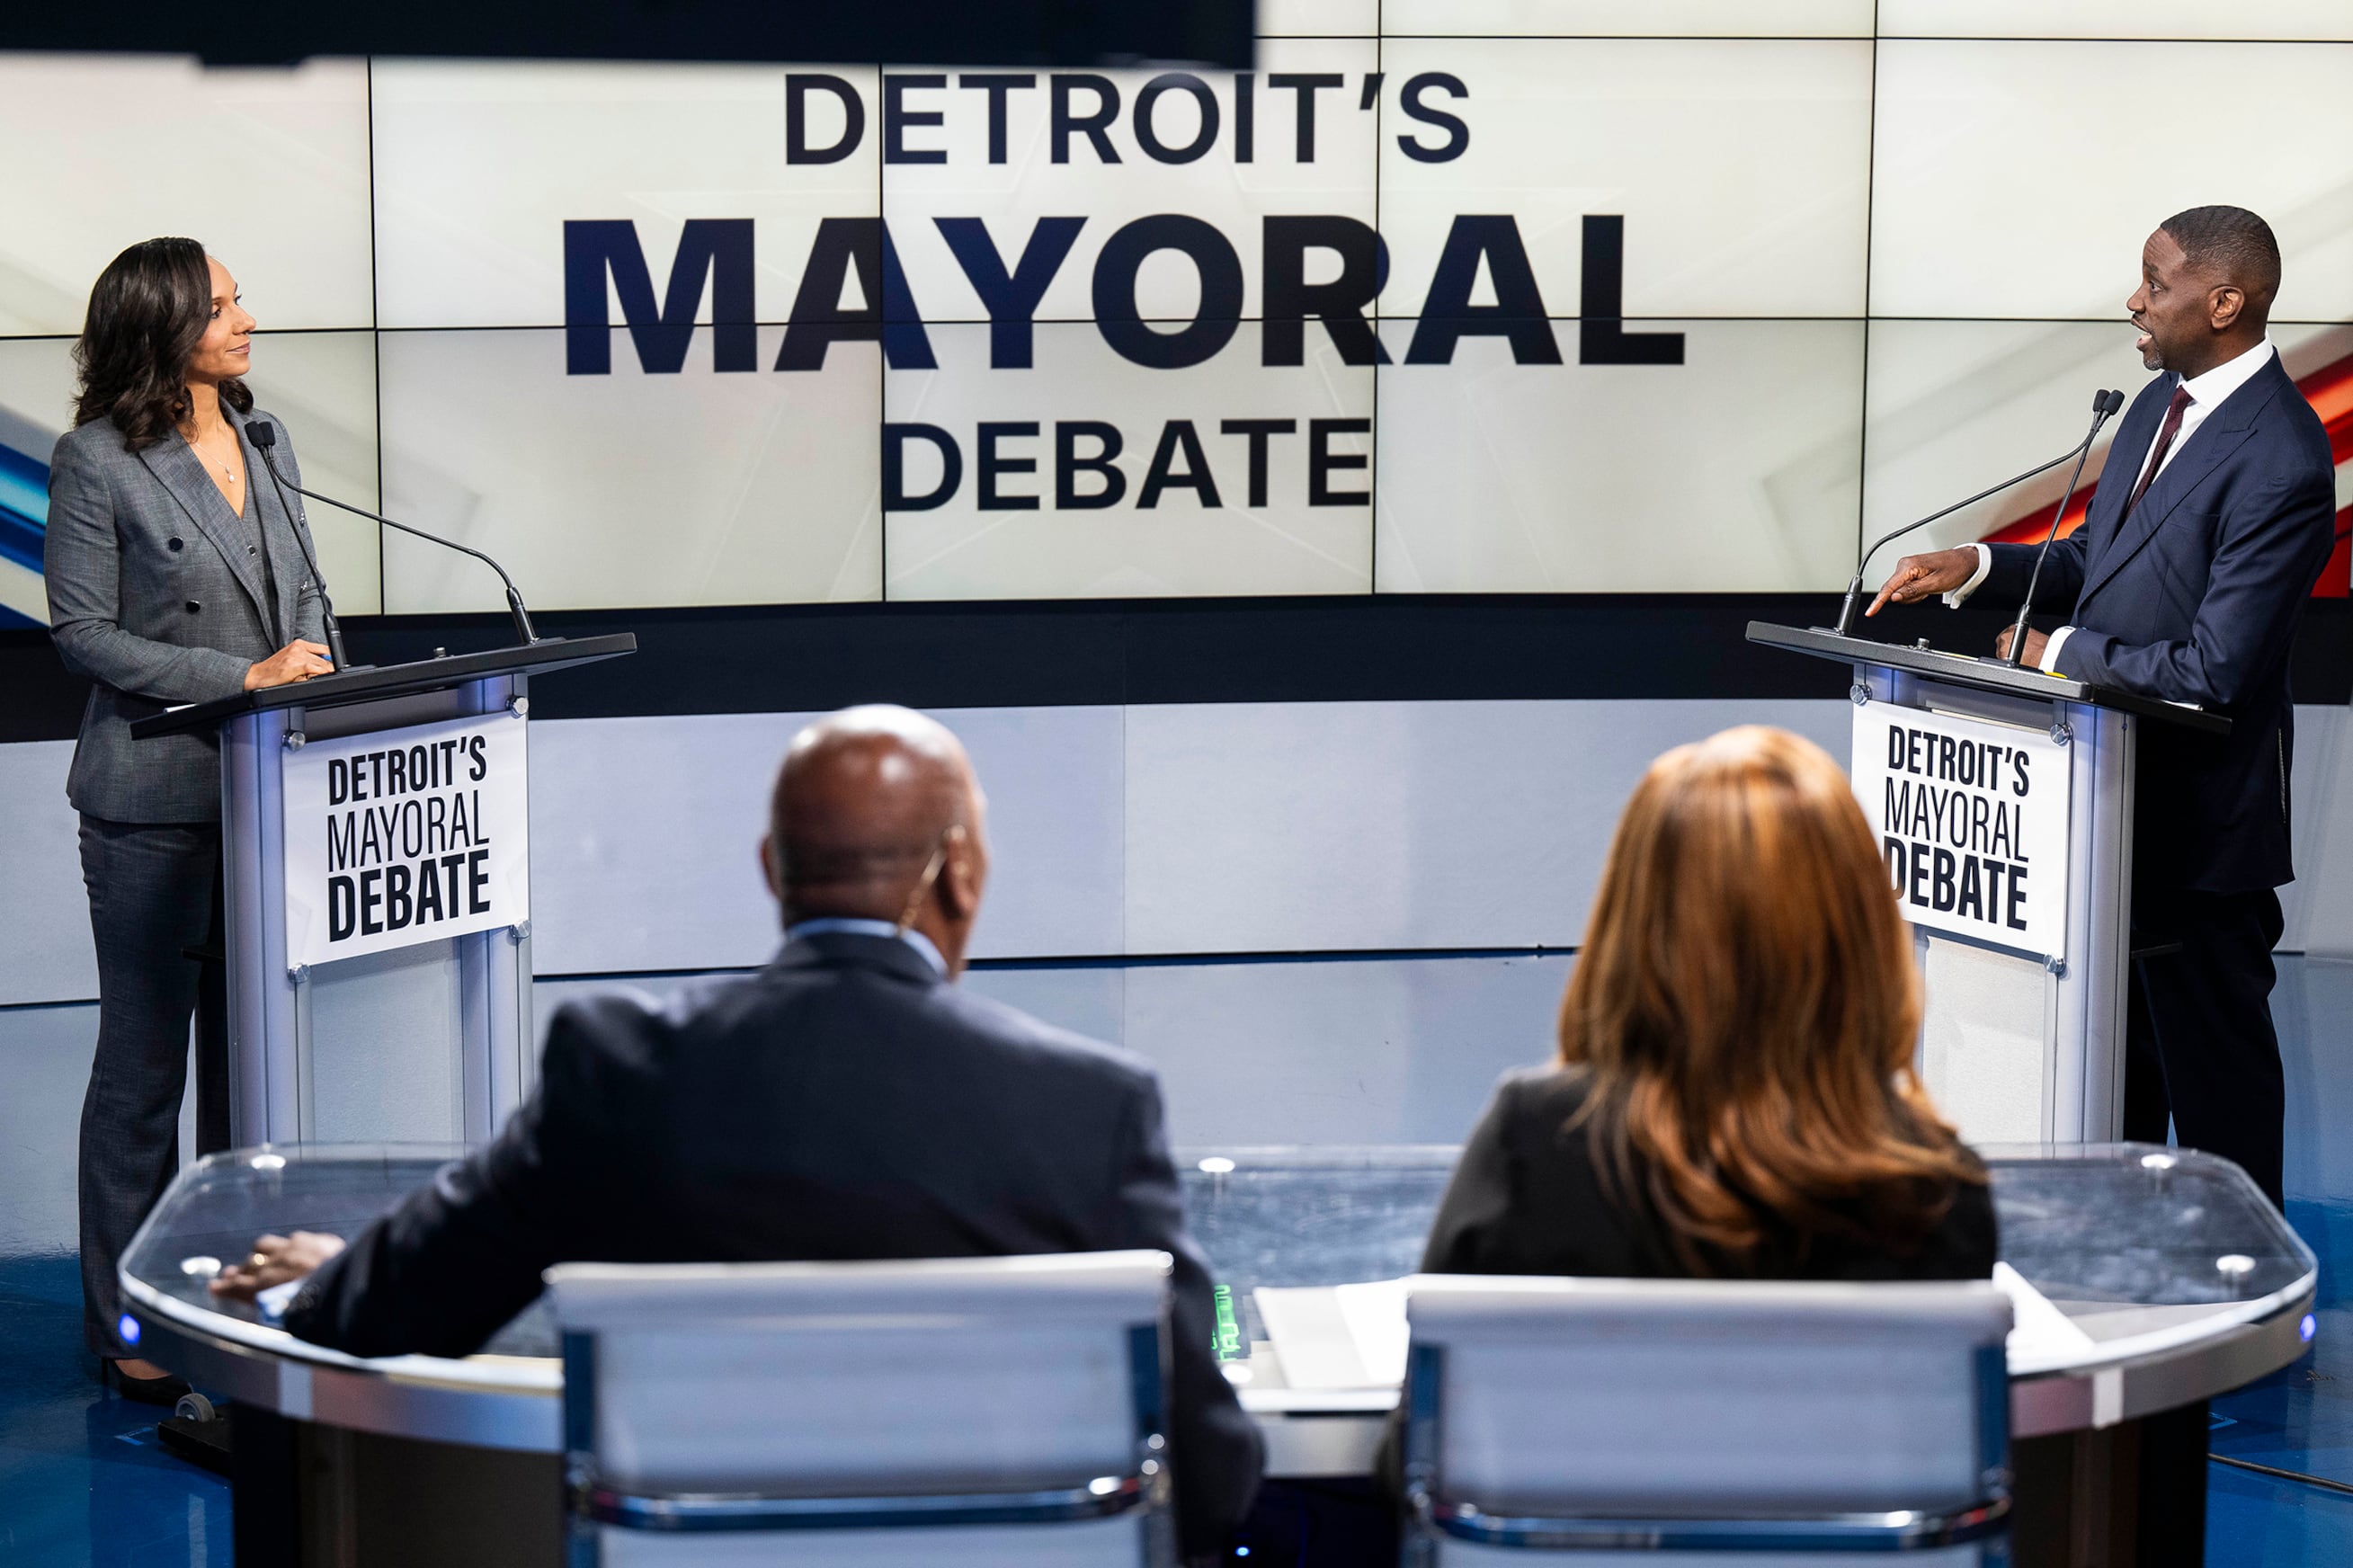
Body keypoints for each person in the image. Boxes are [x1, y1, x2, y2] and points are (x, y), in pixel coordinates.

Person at [211, 705, 1263, 1558]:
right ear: (960, 872)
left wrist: (333, 1271)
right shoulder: (1087, 1103)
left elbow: (401, 1298)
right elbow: (1210, 1462)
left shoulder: (621, 1066)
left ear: (772, 868)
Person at [1867, 207, 2336, 1208]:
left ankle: (2235, 1273)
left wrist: (2058, 651)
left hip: (2200, 829)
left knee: (2217, 1087)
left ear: (2223, 301)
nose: (2134, 298)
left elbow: (2214, 665)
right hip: (2101, 807)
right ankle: (2113, 1251)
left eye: (2154, 281)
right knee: (2116, 1075)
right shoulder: (2151, 410)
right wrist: (1980, 564)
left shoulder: (2286, 457)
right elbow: (2101, 562)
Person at [44, 238, 334, 1402]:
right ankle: (125, 1317)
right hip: (152, 805)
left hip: (268, 794)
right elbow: (83, 633)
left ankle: (223, 1292)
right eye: (223, 305)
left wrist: (319, 687)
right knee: (143, 1068)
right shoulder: (96, 459)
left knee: (248, 1068)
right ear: (166, 324)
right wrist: (244, 679)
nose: (246, 318)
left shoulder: (266, 437)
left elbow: (307, 590)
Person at [1422, 726, 1996, 1282]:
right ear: (1862, 933)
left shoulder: (1533, 1147)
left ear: (1634, 923)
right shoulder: (1936, 1193)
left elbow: (1440, 1373)